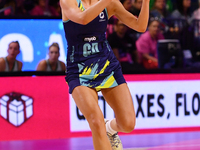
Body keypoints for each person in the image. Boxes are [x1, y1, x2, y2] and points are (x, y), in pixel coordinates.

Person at [60, 0, 149, 149]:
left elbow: (140, 26)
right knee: (96, 121)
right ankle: (103, 128)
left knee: (128, 124)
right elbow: (83, 19)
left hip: (107, 67)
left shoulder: (111, 4)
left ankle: (110, 128)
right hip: (79, 70)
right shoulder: (68, 1)